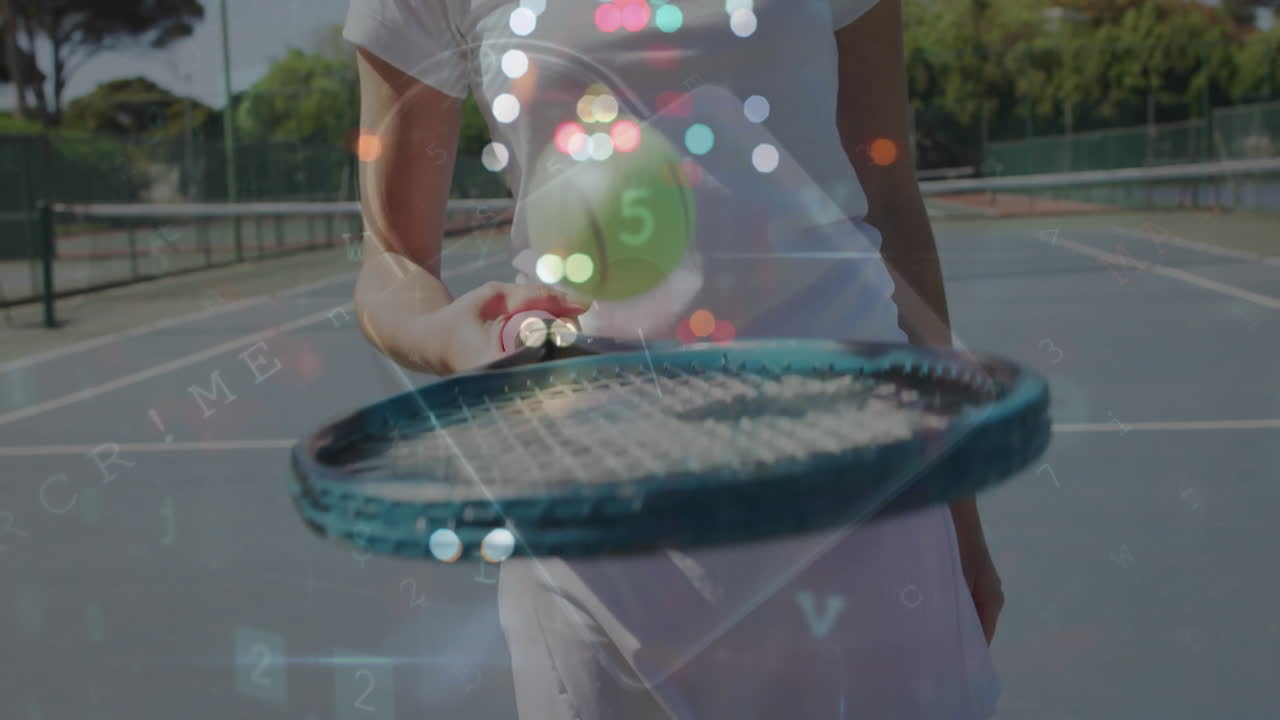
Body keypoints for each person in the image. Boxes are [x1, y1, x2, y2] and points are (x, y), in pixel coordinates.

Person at [343, 0, 1005, 717]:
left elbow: (891, 205)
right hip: (595, 518)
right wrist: (446, 335)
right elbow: (392, 258)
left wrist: (958, 499)